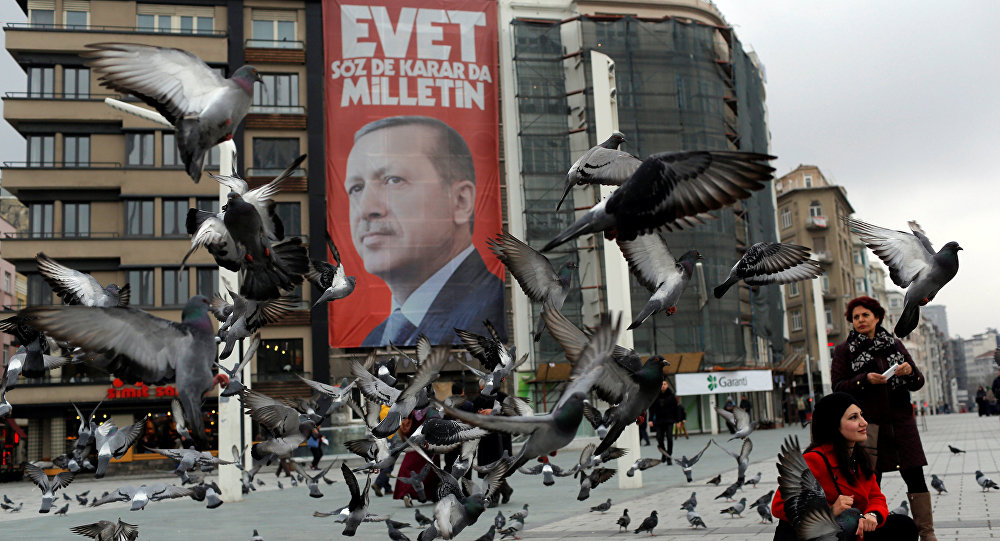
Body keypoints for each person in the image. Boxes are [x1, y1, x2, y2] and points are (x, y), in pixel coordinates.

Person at [344, 115, 506, 347]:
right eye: (356, 188)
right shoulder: (375, 339)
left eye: (393, 180)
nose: (367, 208)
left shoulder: (490, 315)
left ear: (460, 201)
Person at [831, 296, 936, 541]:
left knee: (915, 478)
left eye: (865, 315)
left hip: (901, 424)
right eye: (856, 317)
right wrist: (864, 380)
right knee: (869, 481)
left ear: (877, 317)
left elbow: (918, 382)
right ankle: (870, 534)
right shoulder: (844, 350)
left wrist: (910, 372)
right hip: (869, 427)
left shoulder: (894, 345)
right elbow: (838, 387)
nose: (860, 320)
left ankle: (927, 534)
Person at [771, 392, 917, 541]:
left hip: (848, 531)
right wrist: (829, 511)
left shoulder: (859, 457)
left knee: (903, 525)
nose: (864, 422)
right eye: (854, 417)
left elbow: (876, 497)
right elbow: (778, 506)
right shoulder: (814, 459)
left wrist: (871, 515)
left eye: (861, 415)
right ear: (834, 425)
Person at [648, 379, 677, 465]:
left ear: (667, 385)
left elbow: (676, 408)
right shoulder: (655, 396)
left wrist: (678, 420)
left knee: (669, 438)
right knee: (659, 438)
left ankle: (668, 456)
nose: (663, 386)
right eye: (661, 384)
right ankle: (664, 453)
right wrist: (650, 419)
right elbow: (651, 408)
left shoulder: (672, 396)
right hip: (659, 421)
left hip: (669, 420)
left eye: (664, 384)